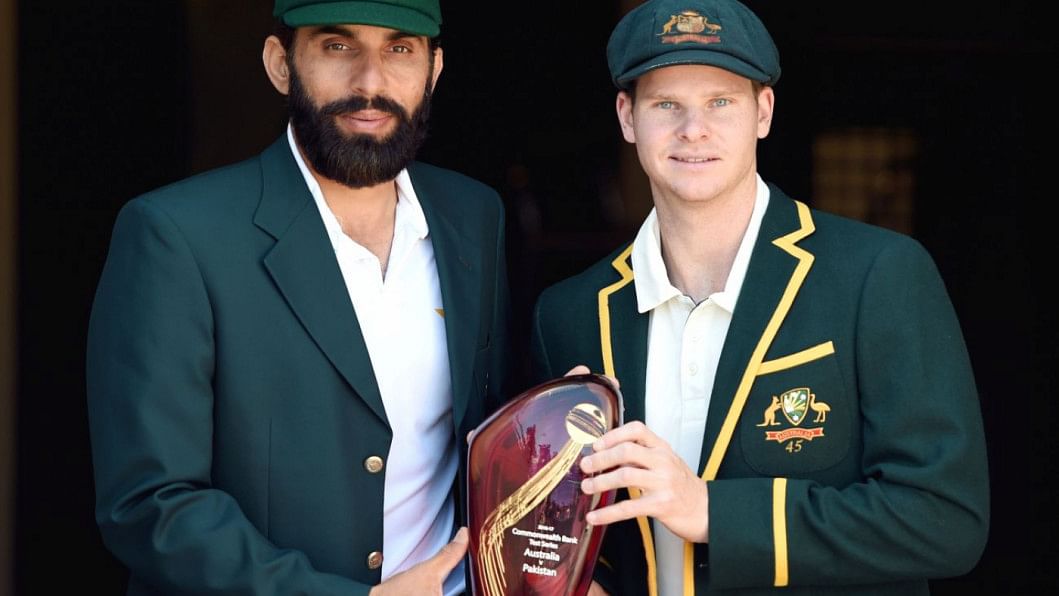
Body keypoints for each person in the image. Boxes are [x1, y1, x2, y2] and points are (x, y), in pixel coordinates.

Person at [530, 1, 989, 594]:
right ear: (627, 117)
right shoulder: (569, 313)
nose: (693, 129)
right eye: (666, 104)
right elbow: (574, 532)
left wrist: (714, 513)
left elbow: (945, 520)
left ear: (763, 112)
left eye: (721, 102)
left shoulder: (877, 274)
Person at [86, 1, 509, 594]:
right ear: (280, 64)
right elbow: (151, 505)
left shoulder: (474, 215)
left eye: (399, 49)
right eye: (338, 46)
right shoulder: (176, 235)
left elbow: (491, 437)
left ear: (433, 70)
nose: (370, 81)